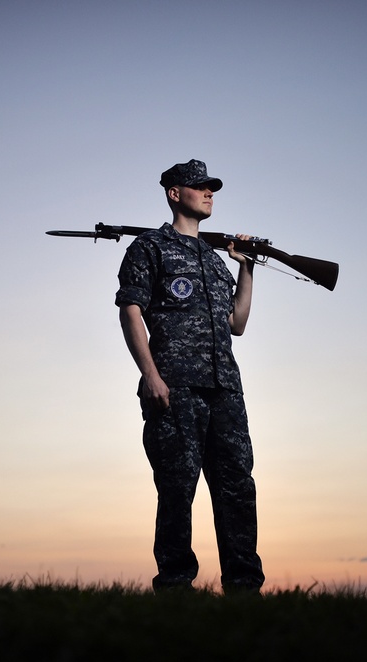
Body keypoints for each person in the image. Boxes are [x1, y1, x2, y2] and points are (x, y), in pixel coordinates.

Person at [115, 159, 265, 593]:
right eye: (199, 186)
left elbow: (237, 323)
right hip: (175, 386)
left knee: (238, 487)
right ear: (174, 193)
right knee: (178, 490)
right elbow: (131, 312)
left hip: (225, 389)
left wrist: (246, 267)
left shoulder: (217, 262)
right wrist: (151, 375)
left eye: (211, 187)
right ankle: (176, 587)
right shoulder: (150, 248)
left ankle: (245, 588)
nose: (209, 192)